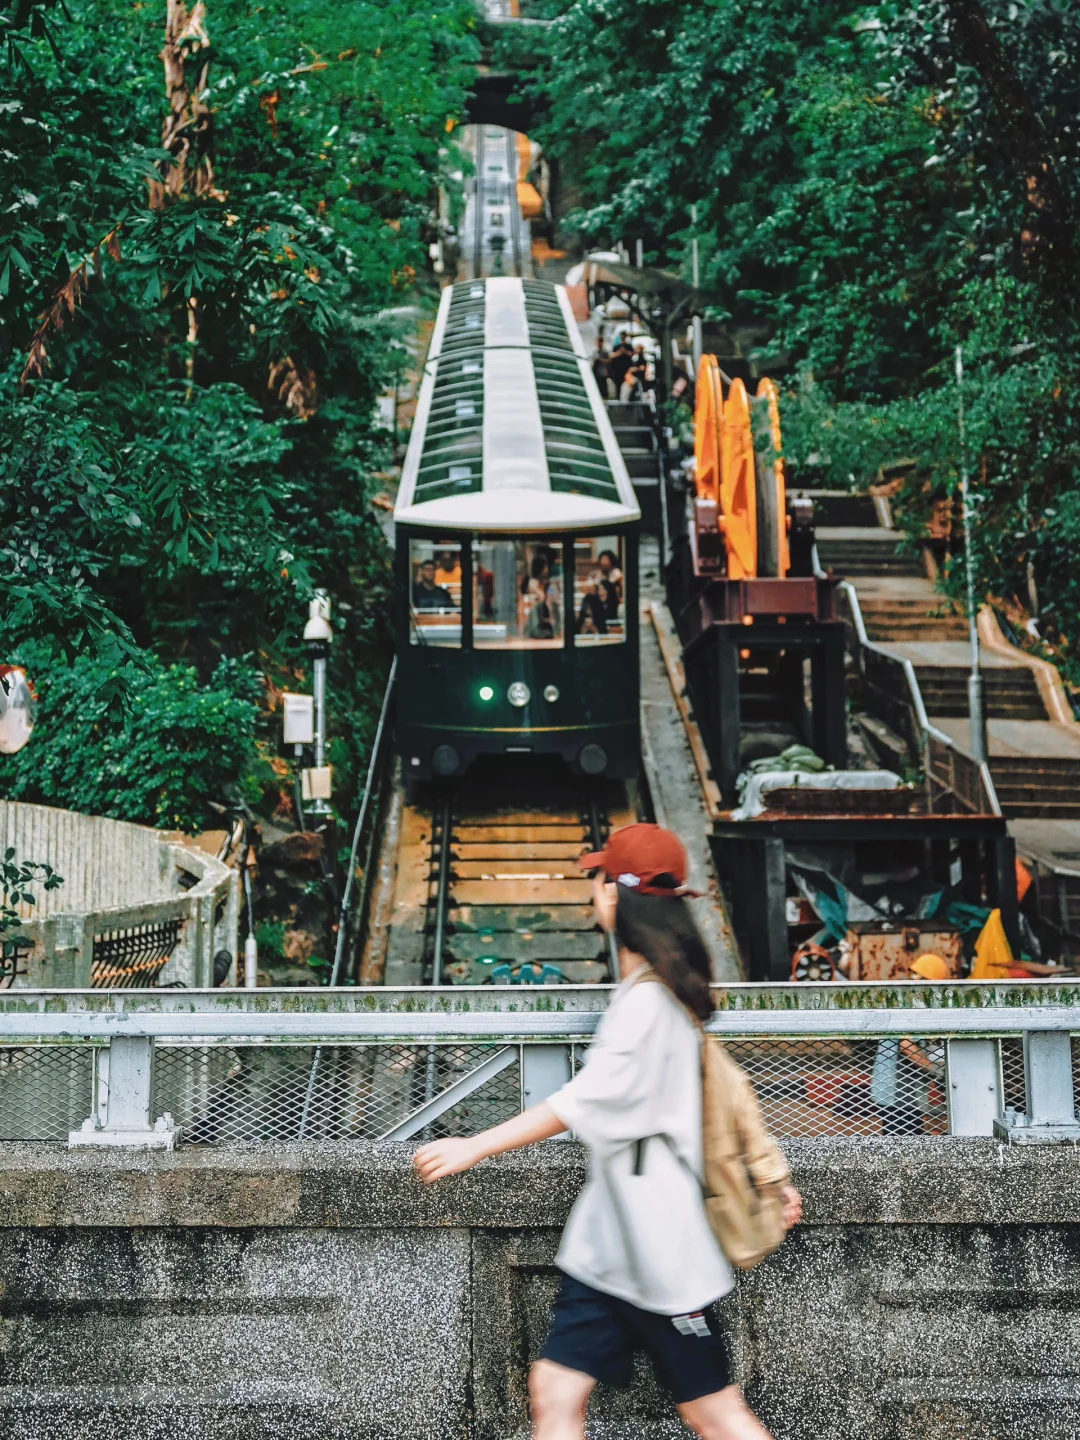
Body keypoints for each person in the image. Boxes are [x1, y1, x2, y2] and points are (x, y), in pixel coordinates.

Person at [415, 824, 802, 1440]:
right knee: (555, 1389)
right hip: (612, 1247)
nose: (591, 889)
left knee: (714, 1413)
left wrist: (474, 1146)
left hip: (659, 1253)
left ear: (615, 896)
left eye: (598, 877)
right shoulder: (652, 994)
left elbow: (579, 1102)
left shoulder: (648, 1005)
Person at [597, 549, 623, 620]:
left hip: (614, 601)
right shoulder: (601, 573)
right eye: (602, 559)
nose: (603, 562)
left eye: (605, 559)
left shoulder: (616, 572)